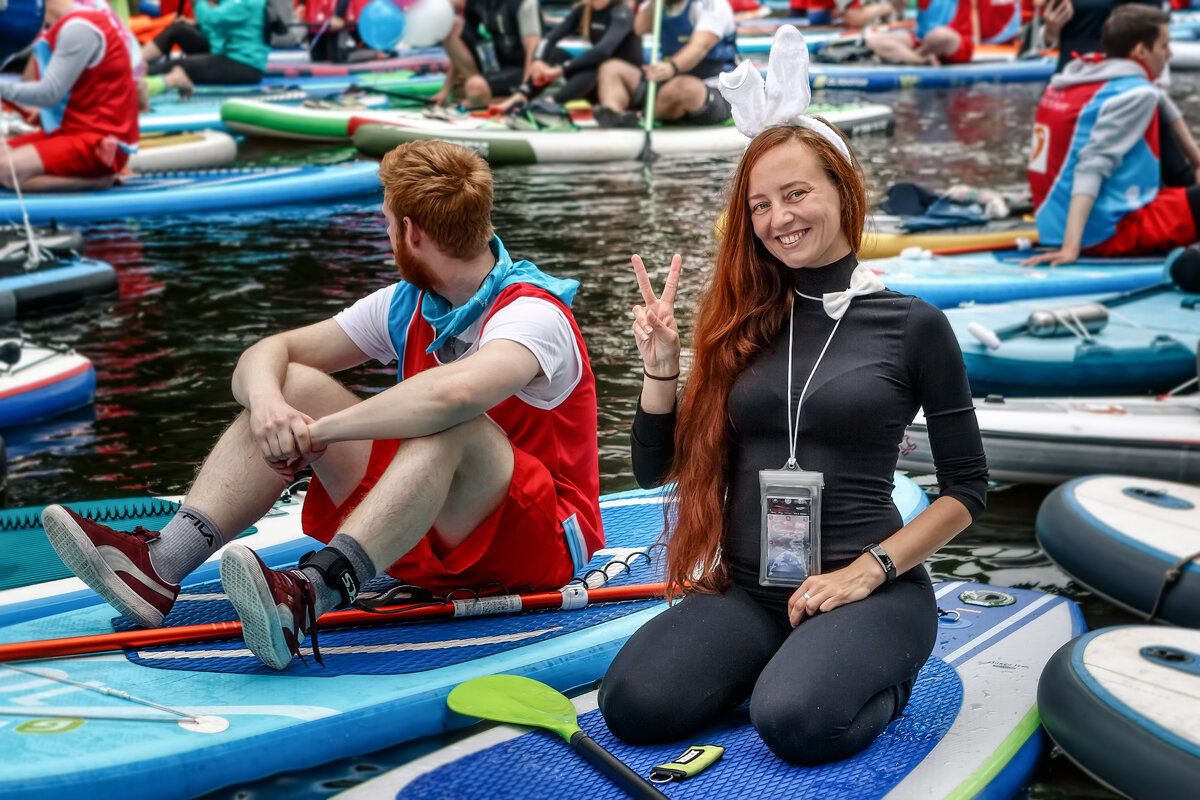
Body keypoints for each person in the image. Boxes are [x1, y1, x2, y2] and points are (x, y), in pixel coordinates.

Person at [41, 140, 604, 671]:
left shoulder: (535, 315)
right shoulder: (407, 302)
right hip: (434, 531)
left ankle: (312, 593)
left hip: (541, 548)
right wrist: (270, 407)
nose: (385, 232)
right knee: (295, 384)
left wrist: (321, 433)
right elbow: (270, 352)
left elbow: (452, 395)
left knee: (451, 423)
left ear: (410, 233)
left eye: (385, 220)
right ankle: (159, 567)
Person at [597, 27, 987, 765]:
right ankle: (779, 660)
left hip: (868, 589)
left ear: (842, 190)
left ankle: (878, 674)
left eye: (797, 193)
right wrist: (661, 369)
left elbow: (968, 489)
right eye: (760, 204)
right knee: (633, 707)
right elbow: (655, 472)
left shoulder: (913, 325)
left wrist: (866, 572)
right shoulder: (744, 323)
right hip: (751, 593)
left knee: (796, 724)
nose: (779, 219)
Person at [1025, 5, 1200, 265]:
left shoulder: (1075, 76)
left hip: (1053, 225)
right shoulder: (1135, 95)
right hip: (1108, 234)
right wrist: (1071, 249)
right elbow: (1091, 166)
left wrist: (1197, 161)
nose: (1169, 54)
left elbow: (1159, 98)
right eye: (1164, 45)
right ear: (1141, 51)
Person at [0, 0, 139, 192]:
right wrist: (46, 115)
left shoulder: (79, 28)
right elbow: (72, 91)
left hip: (98, 144)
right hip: (73, 133)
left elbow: (49, 93)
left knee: (6, 170)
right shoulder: (65, 26)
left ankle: (97, 182)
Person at [490, 0, 643, 116]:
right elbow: (548, 38)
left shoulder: (622, 12)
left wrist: (560, 70)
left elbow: (602, 51)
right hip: (597, 80)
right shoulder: (584, 9)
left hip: (622, 84)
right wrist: (537, 60)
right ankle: (521, 95)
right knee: (553, 54)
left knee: (595, 67)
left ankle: (550, 104)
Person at [141, 0, 269, 97]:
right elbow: (214, 29)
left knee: (177, 66)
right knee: (178, 29)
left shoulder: (248, 2)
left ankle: (135, 76)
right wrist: (194, 25)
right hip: (222, 51)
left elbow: (211, 18)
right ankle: (134, 61)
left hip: (244, 65)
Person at [433, 0, 543, 108]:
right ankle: (478, 90)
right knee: (452, 25)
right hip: (497, 63)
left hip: (522, 69)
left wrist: (524, 91)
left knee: (475, 87)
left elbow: (533, 51)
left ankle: (498, 98)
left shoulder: (525, 3)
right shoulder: (476, 2)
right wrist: (445, 91)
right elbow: (461, 46)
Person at [866, 0, 1020, 66]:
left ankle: (914, 57)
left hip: (955, 41)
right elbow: (899, 9)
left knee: (940, 35)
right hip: (922, 40)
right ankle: (920, 61)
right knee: (873, 39)